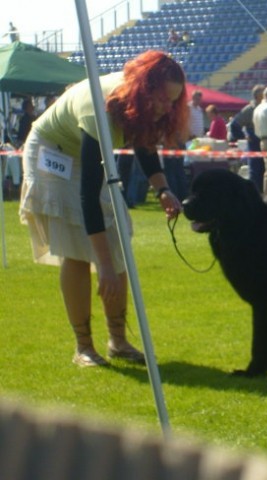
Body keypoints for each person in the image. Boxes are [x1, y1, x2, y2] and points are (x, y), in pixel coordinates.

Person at [19, 50, 187, 367]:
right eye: (163, 99)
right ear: (143, 89)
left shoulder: (142, 108)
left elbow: (146, 149)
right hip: (53, 155)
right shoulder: (100, 108)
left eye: (172, 101)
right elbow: (88, 198)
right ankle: (84, 347)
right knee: (78, 251)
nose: (167, 108)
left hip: (85, 153)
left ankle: (118, 341)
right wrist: (104, 266)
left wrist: (163, 189)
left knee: (118, 240)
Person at [233, 84, 265, 192]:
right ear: (257, 96)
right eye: (263, 94)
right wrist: (244, 137)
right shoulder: (249, 110)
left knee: (265, 171)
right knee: (255, 172)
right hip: (255, 143)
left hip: (264, 142)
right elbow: (235, 124)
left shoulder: (266, 107)